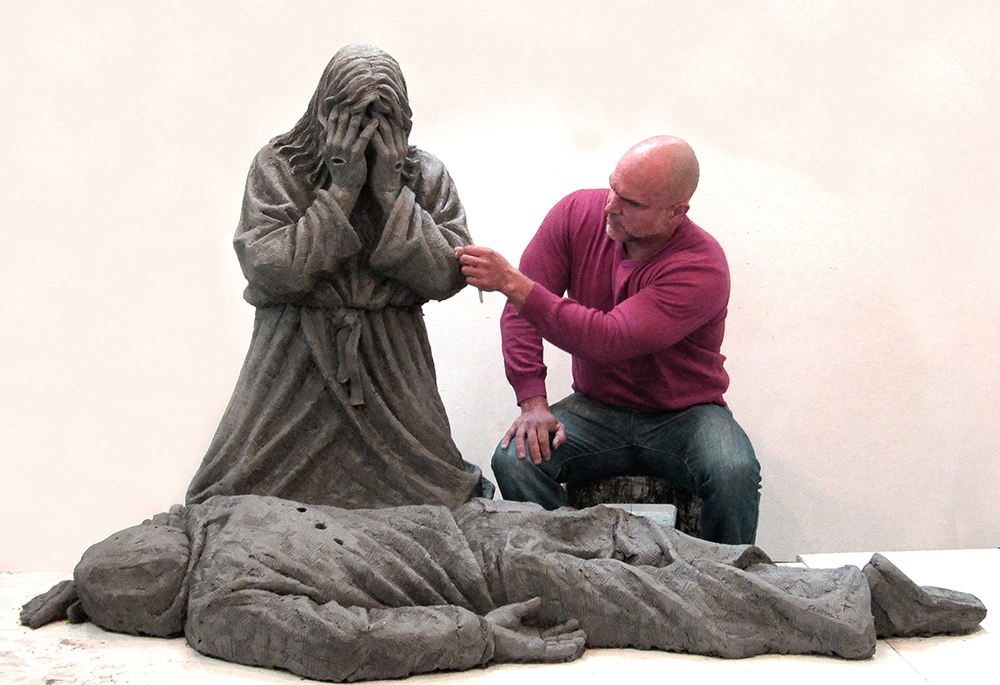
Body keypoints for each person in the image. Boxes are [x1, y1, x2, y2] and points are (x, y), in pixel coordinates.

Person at [22, 496, 985, 682]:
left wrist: (477, 634)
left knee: (670, 593)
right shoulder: (216, 512)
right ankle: (852, 595)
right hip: (484, 531)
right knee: (655, 561)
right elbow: (353, 639)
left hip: (488, 557)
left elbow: (350, 642)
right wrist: (479, 635)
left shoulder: (221, 596)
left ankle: (849, 597)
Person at [186, 44, 490, 510]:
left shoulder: (425, 175)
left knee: (435, 493)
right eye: (353, 119)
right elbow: (270, 267)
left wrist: (391, 192)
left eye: (384, 121)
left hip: (394, 359)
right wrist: (342, 191)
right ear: (324, 114)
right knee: (242, 495)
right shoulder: (279, 166)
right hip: (294, 357)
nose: (368, 135)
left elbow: (447, 274)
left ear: (404, 121)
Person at [456, 135, 758, 543]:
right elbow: (521, 313)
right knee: (516, 460)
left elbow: (608, 338)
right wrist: (533, 401)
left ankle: (727, 587)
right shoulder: (577, 213)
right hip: (597, 410)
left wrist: (512, 281)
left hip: (685, 415)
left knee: (734, 471)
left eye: (632, 203)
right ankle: (576, 568)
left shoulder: (701, 266)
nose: (611, 206)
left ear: (676, 213)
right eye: (613, 187)